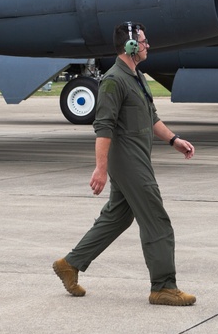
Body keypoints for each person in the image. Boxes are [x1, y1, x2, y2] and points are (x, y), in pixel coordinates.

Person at [53, 22, 197, 306]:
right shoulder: (113, 81)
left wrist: (173, 140)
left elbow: (151, 117)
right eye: (143, 41)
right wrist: (101, 168)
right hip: (128, 162)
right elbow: (103, 127)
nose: (147, 45)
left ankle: (70, 264)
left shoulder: (136, 77)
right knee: (157, 220)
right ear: (130, 46)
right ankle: (163, 287)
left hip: (138, 157)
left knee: (118, 216)